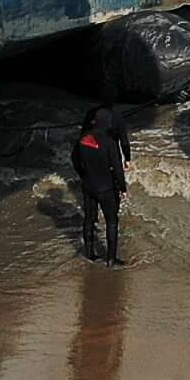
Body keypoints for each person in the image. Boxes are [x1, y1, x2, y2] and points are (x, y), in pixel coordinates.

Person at [70, 104, 130, 264]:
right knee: (112, 221)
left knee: (89, 219)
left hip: (88, 186)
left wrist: (83, 175)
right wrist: (123, 188)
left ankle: (89, 253)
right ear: (107, 123)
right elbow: (117, 167)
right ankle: (111, 259)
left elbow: (74, 160)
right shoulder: (109, 141)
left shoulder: (83, 138)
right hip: (106, 188)